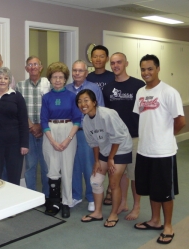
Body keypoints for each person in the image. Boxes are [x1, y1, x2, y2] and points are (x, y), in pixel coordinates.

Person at [133, 54, 185, 245]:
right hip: (144, 150)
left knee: (164, 192)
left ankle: (168, 226)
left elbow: (180, 121)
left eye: (150, 69)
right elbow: (142, 118)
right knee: (151, 189)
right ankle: (155, 221)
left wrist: (165, 136)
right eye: (143, 69)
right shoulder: (140, 92)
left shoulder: (169, 92)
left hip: (164, 152)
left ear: (158, 69)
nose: (146, 72)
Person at [77, 89, 132, 228]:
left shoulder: (107, 114)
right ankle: (97, 212)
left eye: (86, 100)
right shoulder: (86, 121)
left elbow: (118, 138)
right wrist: (96, 161)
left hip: (121, 148)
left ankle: (113, 214)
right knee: (95, 180)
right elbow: (94, 143)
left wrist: (111, 158)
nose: (82, 104)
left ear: (94, 102)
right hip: (105, 148)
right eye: (79, 101)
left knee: (114, 183)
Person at [102, 52, 145, 220]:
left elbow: (144, 112)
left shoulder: (138, 85)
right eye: (112, 63)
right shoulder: (107, 88)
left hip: (134, 137)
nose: (115, 66)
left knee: (135, 175)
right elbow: (105, 114)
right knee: (120, 175)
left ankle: (136, 206)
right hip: (116, 140)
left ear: (126, 63)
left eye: (119, 62)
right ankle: (123, 203)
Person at [41, 62, 82, 218]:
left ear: (65, 79)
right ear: (50, 79)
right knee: (52, 168)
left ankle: (66, 202)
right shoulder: (46, 97)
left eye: (61, 77)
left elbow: (77, 119)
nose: (57, 80)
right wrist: (52, 140)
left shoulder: (72, 96)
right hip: (50, 133)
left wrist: (67, 140)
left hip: (68, 131)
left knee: (67, 169)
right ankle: (54, 201)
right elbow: (43, 120)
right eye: (54, 77)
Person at [66, 60, 104, 212]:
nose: (77, 73)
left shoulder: (93, 88)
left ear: (86, 73)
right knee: (73, 165)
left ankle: (91, 197)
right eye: (74, 70)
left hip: (87, 133)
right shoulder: (67, 88)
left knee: (89, 166)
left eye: (80, 71)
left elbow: (100, 111)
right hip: (70, 133)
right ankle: (76, 195)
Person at [0, 67, 29, 185]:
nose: (2, 80)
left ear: (9, 81)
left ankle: (13, 201)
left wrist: (24, 144)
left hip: (14, 144)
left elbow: (23, 121)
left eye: (6, 78)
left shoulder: (17, 96)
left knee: (14, 176)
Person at [16, 56, 51, 199]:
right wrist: (32, 126)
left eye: (36, 64)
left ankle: (47, 196)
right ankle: (32, 196)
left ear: (41, 67)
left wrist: (41, 126)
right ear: (26, 68)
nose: (33, 67)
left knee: (46, 165)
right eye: (30, 64)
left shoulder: (49, 84)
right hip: (28, 131)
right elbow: (19, 108)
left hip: (47, 131)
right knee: (30, 165)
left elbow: (52, 107)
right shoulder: (20, 86)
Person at [87, 45, 115, 206]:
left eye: (101, 56)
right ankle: (98, 190)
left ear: (107, 58)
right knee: (99, 159)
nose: (98, 59)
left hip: (110, 123)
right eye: (95, 56)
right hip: (95, 124)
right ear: (91, 59)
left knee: (111, 159)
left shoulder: (112, 77)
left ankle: (111, 190)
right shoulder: (88, 78)